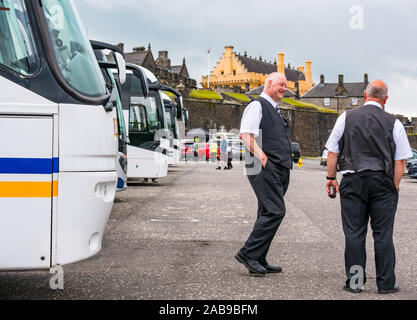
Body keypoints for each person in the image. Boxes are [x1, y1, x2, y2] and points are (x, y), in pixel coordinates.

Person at [325, 80, 412, 294]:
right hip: (383, 182)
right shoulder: (395, 123)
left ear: (365, 95)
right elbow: (400, 161)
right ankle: (386, 284)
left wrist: (331, 177)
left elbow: (333, 151)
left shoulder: (346, 117)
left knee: (354, 233)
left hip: (353, 180)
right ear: (386, 98)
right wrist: (394, 187)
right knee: (383, 234)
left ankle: (355, 283)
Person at [235, 73, 293, 276]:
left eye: (285, 85)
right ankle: (248, 253)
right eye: (281, 84)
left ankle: (259, 257)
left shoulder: (275, 110)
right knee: (275, 210)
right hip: (263, 165)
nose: (284, 88)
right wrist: (263, 158)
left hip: (277, 167)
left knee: (266, 211)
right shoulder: (257, 105)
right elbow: (245, 134)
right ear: (268, 83)